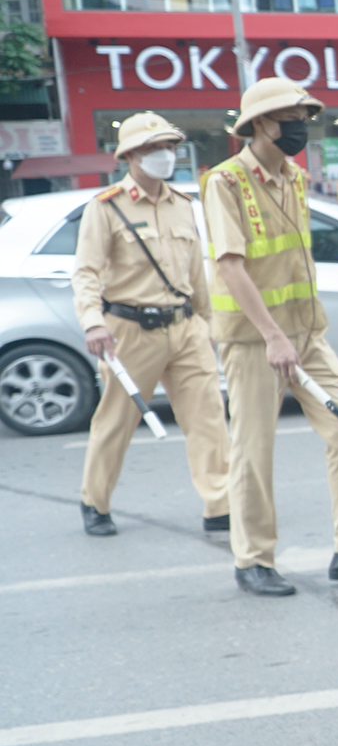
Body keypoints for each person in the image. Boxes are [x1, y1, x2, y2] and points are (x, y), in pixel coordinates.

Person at [203, 77, 338, 597]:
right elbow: (231, 268)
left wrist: (296, 334)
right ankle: (252, 559)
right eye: (288, 118)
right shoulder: (225, 183)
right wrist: (274, 337)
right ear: (259, 124)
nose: (298, 127)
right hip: (257, 342)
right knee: (253, 448)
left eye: (303, 117)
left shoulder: (293, 177)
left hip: (306, 335)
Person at [72, 112, 230, 537]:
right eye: (153, 148)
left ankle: (220, 504)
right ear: (131, 156)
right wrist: (92, 323)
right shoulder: (106, 208)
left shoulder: (184, 206)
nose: (164, 155)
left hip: (185, 326)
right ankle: (95, 500)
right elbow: (86, 272)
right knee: (116, 419)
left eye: (169, 147)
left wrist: (210, 326)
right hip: (128, 330)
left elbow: (197, 272)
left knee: (209, 418)